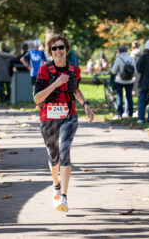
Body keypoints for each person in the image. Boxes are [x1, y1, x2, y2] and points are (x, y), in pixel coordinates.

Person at [34, 34, 94, 212]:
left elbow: (75, 89)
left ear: (66, 49)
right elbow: (37, 98)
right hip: (48, 116)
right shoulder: (44, 70)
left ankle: (64, 197)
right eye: (54, 48)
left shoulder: (74, 70)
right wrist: (56, 83)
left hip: (69, 114)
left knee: (65, 151)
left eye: (61, 47)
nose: (58, 51)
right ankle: (56, 185)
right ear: (50, 52)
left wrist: (86, 105)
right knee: (53, 156)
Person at [20, 39, 47, 108]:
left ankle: (40, 103)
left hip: (40, 73)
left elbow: (45, 61)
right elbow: (22, 59)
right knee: (36, 89)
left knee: (40, 88)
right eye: (36, 46)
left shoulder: (38, 52)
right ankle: (37, 104)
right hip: (34, 73)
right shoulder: (33, 52)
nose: (37, 47)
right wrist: (28, 66)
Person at [111, 45, 135, 119]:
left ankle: (119, 114)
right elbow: (135, 70)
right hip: (130, 81)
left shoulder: (118, 59)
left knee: (119, 97)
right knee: (129, 97)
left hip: (119, 80)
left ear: (119, 51)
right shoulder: (131, 58)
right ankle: (130, 113)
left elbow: (113, 71)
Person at [137, 39, 149, 124]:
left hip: (143, 82)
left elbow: (138, 69)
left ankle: (141, 118)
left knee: (142, 100)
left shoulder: (142, 57)